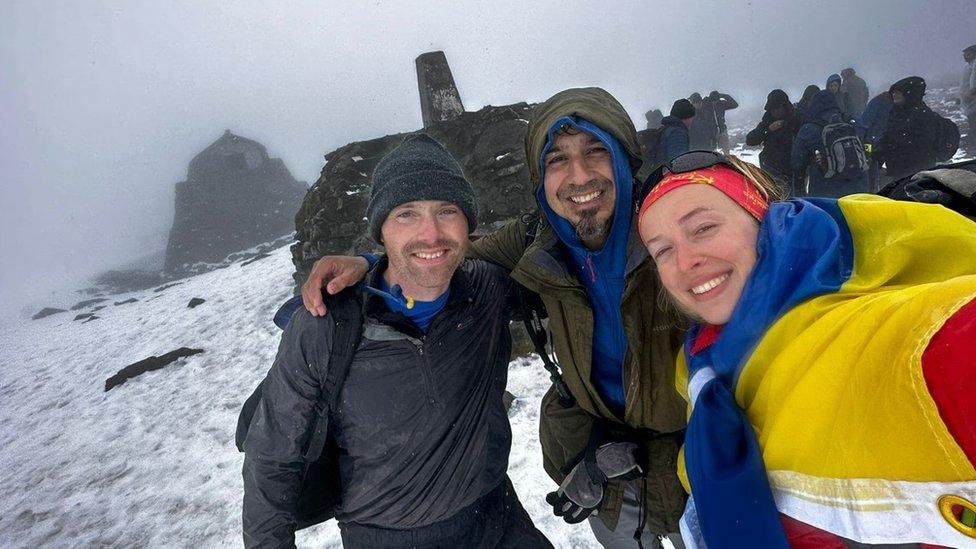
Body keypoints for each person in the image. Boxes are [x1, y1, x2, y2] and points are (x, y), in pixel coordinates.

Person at [300, 87, 690, 548]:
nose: (579, 176)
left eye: (596, 151)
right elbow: (442, 263)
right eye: (557, 160)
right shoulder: (536, 238)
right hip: (604, 468)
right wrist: (372, 262)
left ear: (627, 157)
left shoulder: (681, 224)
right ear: (539, 178)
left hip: (700, 465)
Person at [636, 150, 976, 548]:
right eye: (662, 250)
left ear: (762, 218)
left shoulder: (897, 338)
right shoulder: (705, 363)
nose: (686, 261)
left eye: (704, 227)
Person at [242, 134, 552, 548]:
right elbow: (272, 459)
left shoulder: (488, 290)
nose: (432, 233)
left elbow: (567, 242)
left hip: (499, 520)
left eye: (448, 211)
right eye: (406, 214)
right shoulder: (325, 325)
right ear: (381, 231)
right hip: (384, 538)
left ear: (468, 223)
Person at [791, 90, 869, 197]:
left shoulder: (809, 129)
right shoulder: (853, 123)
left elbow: (797, 162)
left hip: (825, 191)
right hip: (858, 189)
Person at [877, 76, 942, 180]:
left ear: (909, 94)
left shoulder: (922, 114)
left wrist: (894, 148)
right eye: (893, 92)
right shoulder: (895, 112)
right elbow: (887, 135)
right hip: (899, 169)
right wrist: (879, 152)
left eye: (898, 92)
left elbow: (923, 143)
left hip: (918, 170)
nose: (894, 95)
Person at [745, 89, 801, 189]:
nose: (775, 112)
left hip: (792, 168)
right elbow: (750, 140)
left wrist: (784, 124)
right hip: (771, 168)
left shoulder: (796, 118)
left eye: (778, 108)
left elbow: (800, 127)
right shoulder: (767, 120)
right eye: (772, 109)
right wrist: (768, 130)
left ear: (784, 107)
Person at [856, 90, 893, 192]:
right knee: (871, 166)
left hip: (876, 140)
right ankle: (871, 192)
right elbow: (865, 122)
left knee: (873, 167)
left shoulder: (883, 103)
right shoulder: (880, 103)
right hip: (871, 141)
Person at [653, 98, 695, 168]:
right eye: (692, 117)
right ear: (686, 117)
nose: (692, 120)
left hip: (661, 173)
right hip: (669, 176)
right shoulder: (677, 133)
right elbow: (679, 162)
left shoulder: (667, 129)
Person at [960, 44, 976, 144]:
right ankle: (973, 136)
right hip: (968, 97)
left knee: (974, 118)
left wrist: (972, 92)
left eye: (968, 54)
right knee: (971, 118)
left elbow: (973, 81)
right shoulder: (969, 66)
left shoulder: (975, 65)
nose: (965, 56)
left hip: (972, 97)